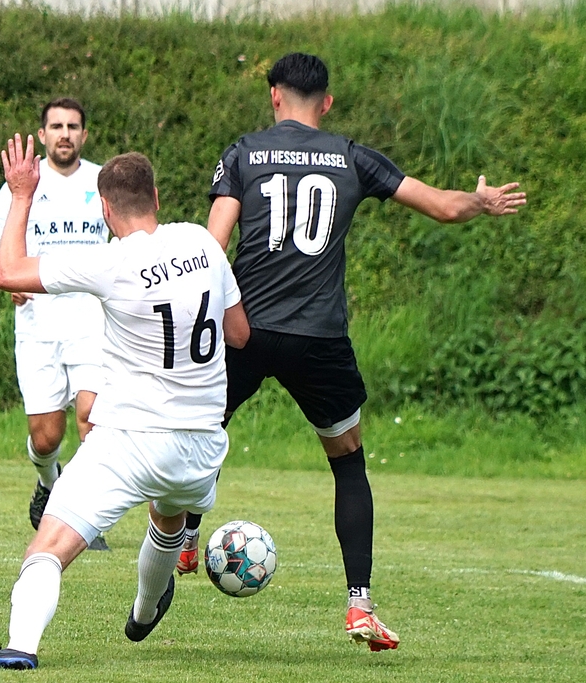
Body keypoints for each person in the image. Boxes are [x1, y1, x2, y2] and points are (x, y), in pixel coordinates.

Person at [175, 52, 526, 651]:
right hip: (320, 337)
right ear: (328, 102)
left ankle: (184, 538)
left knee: (200, 430)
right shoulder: (351, 156)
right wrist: (481, 202)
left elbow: (212, 246)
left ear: (274, 95)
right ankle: (359, 604)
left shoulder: (243, 154)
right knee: (348, 462)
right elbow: (443, 206)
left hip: (246, 331)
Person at [0, 140, 249, 670]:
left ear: (105, 210)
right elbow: (238, 334)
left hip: (132, 440)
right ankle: (145, 611)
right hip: (203, 448)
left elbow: (7, 272)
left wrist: (22, 194)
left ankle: (20, 647)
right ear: (156, 197)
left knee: (48, 547)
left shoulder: (109, 261)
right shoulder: (201, 241)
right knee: (169, 517)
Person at [0, 98, 112, 549]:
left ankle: (84, 516)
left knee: (92, 421)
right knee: (45, 438)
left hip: (93, 323)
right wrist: (9, 281)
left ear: (84, 135)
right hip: (38, 326)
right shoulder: (21, 185)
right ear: (42, 135)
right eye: (56, 126)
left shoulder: (102, 181)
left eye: (73, 127)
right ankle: (47, 483)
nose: (65, 134)